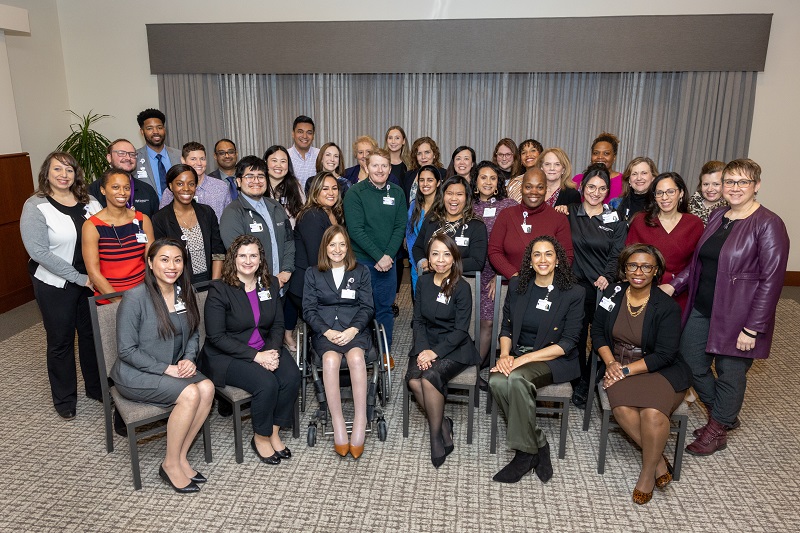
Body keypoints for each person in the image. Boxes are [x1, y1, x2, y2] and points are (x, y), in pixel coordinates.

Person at [664, 159, 789, 456]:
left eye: (742, 182)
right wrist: (674, 285)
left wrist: (753, 328)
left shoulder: (769, 224)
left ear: (756, 186)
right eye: (729, 182)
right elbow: (699, 262)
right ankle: (724, 414)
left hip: (740, 314)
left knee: (730, 372)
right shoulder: (720, 215)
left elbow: (771, 281)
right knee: (691, 361)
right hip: (703, 306)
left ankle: (717, 428)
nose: (734, 188)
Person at [592, 243, 692, 504]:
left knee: (652, 413)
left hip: (658, 369)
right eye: (632, 265)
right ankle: (659, 461)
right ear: (624, 269)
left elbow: (665, 354)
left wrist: (624, 370)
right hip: (618, 363)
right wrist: (611, 363)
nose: (639, 271)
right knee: (623, 409)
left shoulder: (666, 306)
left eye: (646, 266)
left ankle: (648, 473)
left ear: (656, 270)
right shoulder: (613, 294)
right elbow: (598, 332)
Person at [112, 238, 215, 493]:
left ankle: (180, 457)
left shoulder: (185, 292)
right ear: (150, 262)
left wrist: (188, 359)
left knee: (208, 388)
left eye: (178, 260)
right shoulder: (135, 297)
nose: (172, 266)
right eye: (164, 259)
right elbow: (126, 350)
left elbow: (193, 333)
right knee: (191, 393)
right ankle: (170, 464)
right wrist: (165, 368)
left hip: (174, 367)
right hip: (135, 373)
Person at [489, 236, 584, 483]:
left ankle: (524, 454)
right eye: (537, 255)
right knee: (498, 382)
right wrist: (506, 355)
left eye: (548, 254)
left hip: (553, 357)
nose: (543, 260)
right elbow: (506, 328)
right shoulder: (519, 285)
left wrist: (523, 360)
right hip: (518, 353)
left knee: (518, 379)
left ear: (557, 259)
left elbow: (568, 342)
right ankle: (539, 443)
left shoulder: (573, 292)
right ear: (529, 261)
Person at [201, 235, 301, 465]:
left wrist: (273, 352)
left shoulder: (270, 284)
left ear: (260, 259)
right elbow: (216, 336)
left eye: (253, 255)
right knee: (267, 383)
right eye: (242, 255)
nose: (248, 261)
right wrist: (257, 357)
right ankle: (261, 436)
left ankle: (274, 431)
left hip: (265, 346)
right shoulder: (219, 289)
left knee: (291, 376)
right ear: (233, 259)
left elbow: (277, 325)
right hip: (229, 354)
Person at [20, 152, 104, 419]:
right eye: (57, 169)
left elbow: (105, 233)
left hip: (91, 282)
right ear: (46, 172)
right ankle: (65, 399)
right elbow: (39, 252)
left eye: (69, 170)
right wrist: (80, 278)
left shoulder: (90, 201)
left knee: (92, 339)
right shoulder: (35, 206)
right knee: (61, 341)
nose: (63, 175)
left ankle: (96, 388)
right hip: (56, 284)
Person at [406, 234, 480, 468]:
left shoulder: (462, 287)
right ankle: (444, 424)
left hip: (454, 347)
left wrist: (434, 354)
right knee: (413, 382)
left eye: (446, 254)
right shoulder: (424, 282)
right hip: (425, 342)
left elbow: (460, 330)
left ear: (454, 258)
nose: (440, 260)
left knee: (428, 379)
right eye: (435, 254)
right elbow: (417, 321)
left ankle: (436, 437)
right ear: (428, 257)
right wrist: (422, 349)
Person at [303, 226, 374, 459]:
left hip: (355, 329)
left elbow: (367, 308)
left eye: (342, 244)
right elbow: (309, 310)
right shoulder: (313, 273)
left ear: (348, 247)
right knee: (331, 361)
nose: (337, 249)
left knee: (355, 357)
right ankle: (338, 421)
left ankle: (361, 417)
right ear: (325, 247)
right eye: (332, 244)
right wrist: (326, 331)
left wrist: (353, 330)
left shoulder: (361, 271)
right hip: (326, 333)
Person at [565, 164, 628, 408]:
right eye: (591, 186)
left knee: (602, 337)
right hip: (574, 287)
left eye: (602, 188)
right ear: (582, 187)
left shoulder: (615, 219)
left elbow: (617, 254)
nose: (596, 192)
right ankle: (578, 379)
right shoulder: (569, 212)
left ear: (608, 192)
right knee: (576, 336)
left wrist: (607, 275)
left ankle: (589, 381)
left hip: (603, 286)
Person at [343, 148, 407, 351]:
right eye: (375, 165)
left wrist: (387, 256)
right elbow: (355, 230)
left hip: (389, 261)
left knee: (385, 308)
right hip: (362, 262)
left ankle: (384, 350)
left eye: (384, 165)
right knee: (360, 309)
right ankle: (360, 350)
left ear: (390, 169)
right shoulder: (355, 193)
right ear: (366, 167)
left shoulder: (397, 193)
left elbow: (400, 227)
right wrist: (379, 256)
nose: (380, 169)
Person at [626, 172, 703, 312]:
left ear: (681, 193)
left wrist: (674, 286)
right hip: (643, 292)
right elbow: (629, 258)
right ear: (654, 196)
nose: (664, 197)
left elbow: (696, 263)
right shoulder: (640, 221)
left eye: (670, 191)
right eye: (659, 193)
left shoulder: (694, 224)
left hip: (678, 294)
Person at [219, 155, 295, 295]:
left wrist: (286, 270)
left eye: (261, 176)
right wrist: (267, 281)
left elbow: (289, 241)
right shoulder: (232, 213)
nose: (256, 181)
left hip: (282, 286)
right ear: (238, 182)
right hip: (252, 291)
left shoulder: (276, 206)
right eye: (249, 176)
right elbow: (240, 257)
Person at [472, 161, 518, 382]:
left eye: (493, 178)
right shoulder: (466, 204)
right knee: (469, 320)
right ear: (476, 181)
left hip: (497, 274)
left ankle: (472, 370)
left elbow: (518, 243)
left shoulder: (509, 206)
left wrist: (502, 275)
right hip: (472, 272)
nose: (488, 182)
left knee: (488, 322)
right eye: (483, 177)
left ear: (499, 182)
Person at [288, 172, 344, 343]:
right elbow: (316, 258)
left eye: (334, 188)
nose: (331, 192)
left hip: (323, 278)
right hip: (308, 284)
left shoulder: (332, 212)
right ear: (315, 191)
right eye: (325, 188)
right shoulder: (312, 215)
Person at [488, 168, 573, 280]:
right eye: (528, 187)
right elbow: (494, 251)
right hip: (511, 284)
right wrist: (514, 275)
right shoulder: (506, 215)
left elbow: (567, 255)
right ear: (521, 188)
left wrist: (545, 278)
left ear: (546, 189)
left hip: (547, 286)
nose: (534, 192)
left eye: (540, 187)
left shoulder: (558, 218)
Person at [83, 168, 155, 298]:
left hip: (143, 295)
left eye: (127, 188)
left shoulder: (143, 220)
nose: (122, 192)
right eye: (116, 187)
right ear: (103, 190)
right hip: (109, 300)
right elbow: (93, 273)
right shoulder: (91, 226)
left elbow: (152, 260)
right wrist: (118, 302)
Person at [151, 164, 225, 284]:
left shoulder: (207, 212)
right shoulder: (160, 218)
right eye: (180, 184)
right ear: (171, 186)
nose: (186, 188)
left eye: (191, 184)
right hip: (178, 283)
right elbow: (162, 259)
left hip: (210, 279)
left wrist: (214, 284)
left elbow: (218, 251)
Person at [412, 175, 487, 276]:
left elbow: (477, 262)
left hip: (462, 282)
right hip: (430, 280)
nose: (453, 198)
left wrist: (442, 265)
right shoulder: (432, 220)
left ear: (467, 198)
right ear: (443, 196)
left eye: (459, 194)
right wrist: (422, 261)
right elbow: (418, 247)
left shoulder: (477, 226)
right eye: (449, 193)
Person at [160, 142, 232, 221]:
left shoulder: (221, 187)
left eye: (202, 159)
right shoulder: (172, 191)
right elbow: (163, 220)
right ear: (183, 160)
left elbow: (229, 219)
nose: (199, 163)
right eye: (193, 159)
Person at [88, 139, 160, 217]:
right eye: (121, 153)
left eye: (132, 154)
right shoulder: (93, 190)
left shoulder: (147, 190)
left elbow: (156, 224)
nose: (128, 158)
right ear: (109, 158)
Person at [406, 165, 442, 294]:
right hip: (418, 265)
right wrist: (417, 261)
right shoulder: (413, 206)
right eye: (422, 180)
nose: (425, 184)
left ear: (438, 183)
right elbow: (410, 238)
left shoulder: (444, 207)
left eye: (430, 180)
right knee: (420, 301)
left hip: (441, 265)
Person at [134, 108, 182, 200]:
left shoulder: (180, 156)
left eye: (159, 127)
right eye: (149, 128)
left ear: (164, 129)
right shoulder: (134, 158)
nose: (155, 131)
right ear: (142, 131)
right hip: (148, 213)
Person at [263, 145, 306, 228]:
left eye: (283, 161)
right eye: (274, 161)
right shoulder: (258, 185)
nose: (278, 165)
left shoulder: (295, 185)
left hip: (292, 235)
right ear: (265, 162)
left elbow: (303, 214)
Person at [571, 132, 623, 201]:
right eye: (596, 153)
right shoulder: (578, 179)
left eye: (606, 153)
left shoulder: (623, 181)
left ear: (614, 157)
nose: (600, 157)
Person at [609, 157, 659, 224]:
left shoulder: (660, 205)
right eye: (634, 174)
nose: (639, 178)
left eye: (644, 173)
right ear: (629, 180)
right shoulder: (615, 204)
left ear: (653, 178)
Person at [402, 137, 446, 203]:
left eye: (427, 152)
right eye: (419, 153)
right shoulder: (408, 175)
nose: (423, 157)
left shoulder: (444, 174)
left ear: (434, 154)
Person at [688, 160, 727, 225]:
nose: (710, 189)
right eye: (706, 184)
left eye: (716, 184)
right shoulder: (687, 205)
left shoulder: (729, 211)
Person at [288, 115, 320, 189]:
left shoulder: (320, 155)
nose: (305, 136)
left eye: (309, 133)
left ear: (313, 136)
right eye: (300, 132)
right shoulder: (285, 156)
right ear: (293, 133)